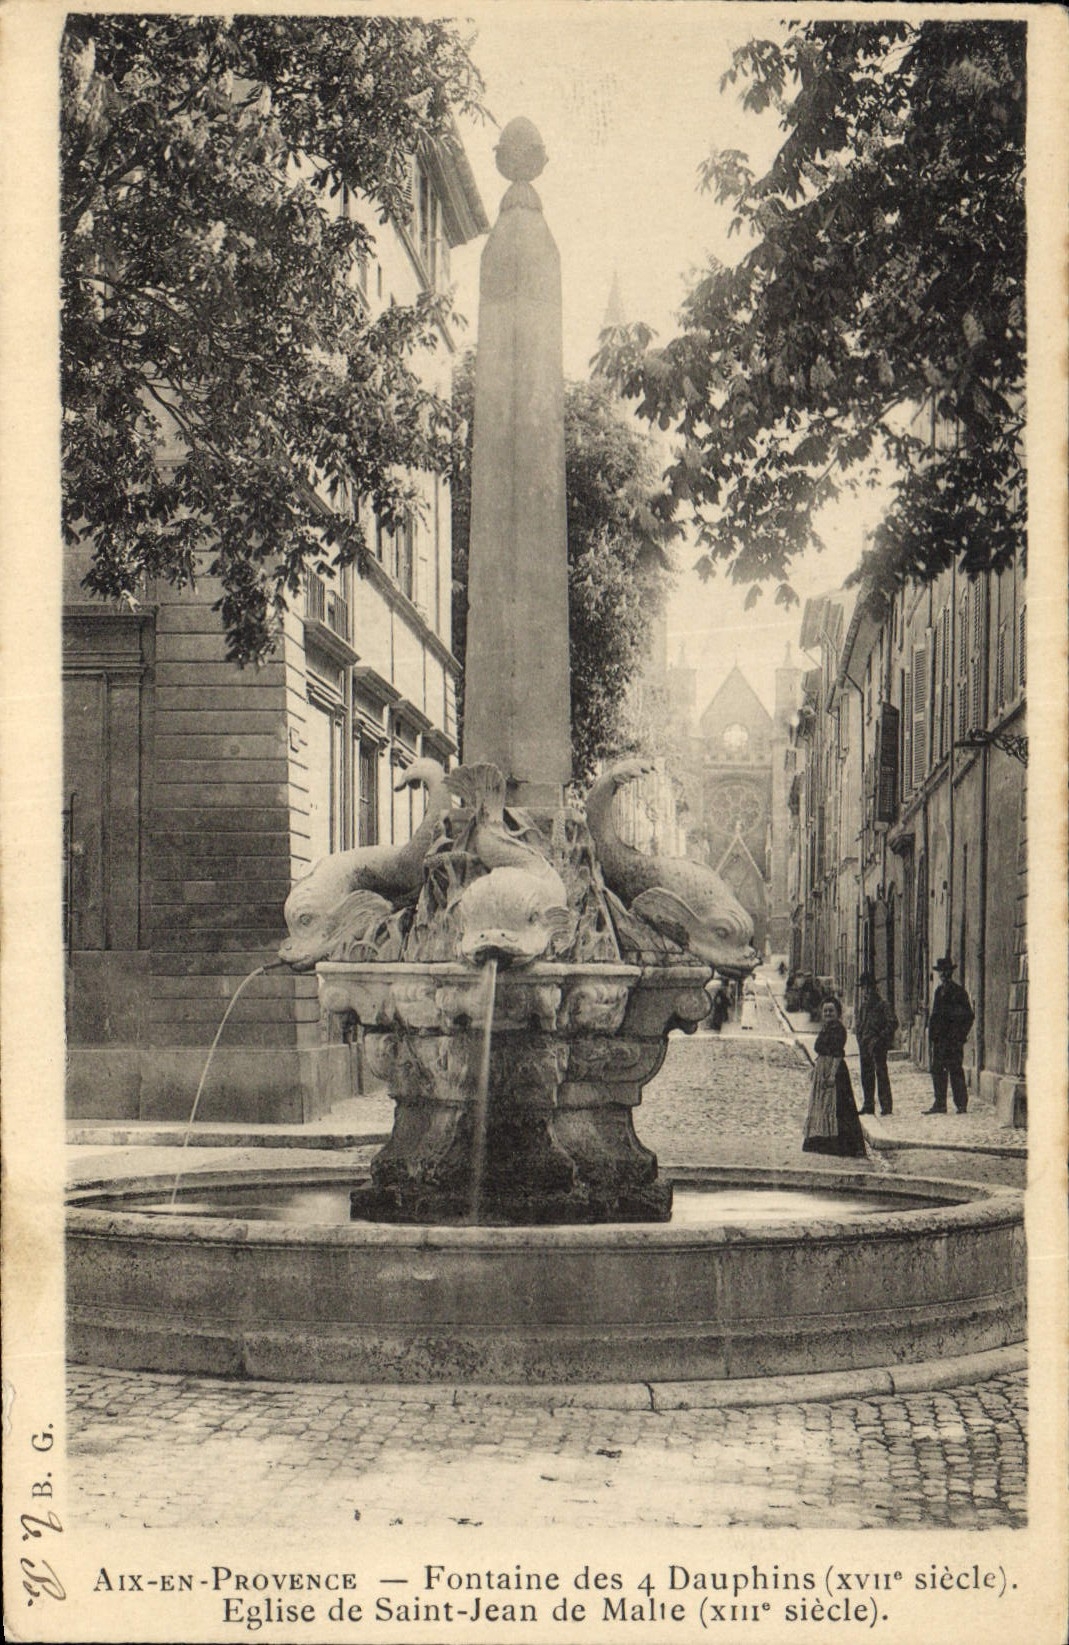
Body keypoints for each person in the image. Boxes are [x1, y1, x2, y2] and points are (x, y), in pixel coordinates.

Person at [802, 996, 867, 1157]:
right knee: (823, 1106)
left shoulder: (838, 1029)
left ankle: (840, 1145)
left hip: (835, 1071)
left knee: (837, 1107)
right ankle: (822, 1141)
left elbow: (838, 1054)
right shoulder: (826, 1027)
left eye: (831, 1010)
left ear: (837, 1012)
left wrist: (831, 1075)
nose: (828, 1013)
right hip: (823, 1069)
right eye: (825, 1011)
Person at [926, 957, 975, 1113]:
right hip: (940, 1041)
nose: (942, 975)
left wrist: (960, 1036)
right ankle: (940, 1103)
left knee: (955, 1070)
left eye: (945, 971)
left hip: (953, 1040)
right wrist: (932, 1035)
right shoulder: (938, 992)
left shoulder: (959, 992)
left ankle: (961, 1104)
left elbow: (969, 1016)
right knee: (937, 1070)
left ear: (950, 973)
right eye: (940, 972)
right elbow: (934, 1015)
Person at [855, 971, 897, 1116]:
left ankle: (886, 1106)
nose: (866, 991)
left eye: (868, 988)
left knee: (881, 1074)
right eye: (864, 988)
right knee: (866, 1075)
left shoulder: (883, 1005)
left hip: (877, 1045)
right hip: (865, 1045)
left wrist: (881, 1039)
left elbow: (893, 1023)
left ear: (874, 988)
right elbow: (860, 1023)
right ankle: (868, 1105)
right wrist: (860, 1037)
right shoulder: (863, 1006)